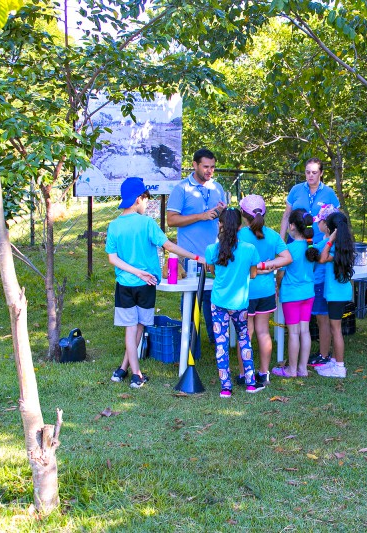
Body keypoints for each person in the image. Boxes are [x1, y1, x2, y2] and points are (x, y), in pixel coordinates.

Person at [106, 177, 202, 389]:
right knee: (135, 329)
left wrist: (134, 272)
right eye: (146, 199)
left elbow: (113, 259)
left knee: (135, 328)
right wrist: (196, 257)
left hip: (124, 285)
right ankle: (136, 375)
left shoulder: (113, 225)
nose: (147, 203)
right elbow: (169, 246)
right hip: (146, 284)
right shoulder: (147, 223)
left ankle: (123, 369)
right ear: (138, 199)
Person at [279, 158, 340, 367]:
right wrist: (279, 242)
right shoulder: (296, 190)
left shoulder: (329, 194)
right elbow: (286, 215)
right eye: (307, 172)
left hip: (318, 252)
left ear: (321, 173)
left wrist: (331, 243)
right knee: (298, 312)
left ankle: (323, 354)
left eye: (314, 172)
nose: (310, 176)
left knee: (321, 311)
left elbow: (337, 222)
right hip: (296, 251)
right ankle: (296, 358)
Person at [166, 148, 227, 351]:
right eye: (205, 167)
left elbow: (220, 221)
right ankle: (190, 343)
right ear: (195, 165)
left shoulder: (217, 187)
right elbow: (171, 220)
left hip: (214, 256)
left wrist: (221, 213)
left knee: (214, 300)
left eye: (212, 167)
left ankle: (214, 341)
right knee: (191, 302)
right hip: (190, 256)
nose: (210, 171)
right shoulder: (182, 188)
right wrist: (201, 216)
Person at [205, 208, 262, 397]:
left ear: (220, 224)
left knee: (221, 343)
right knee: (244, 340)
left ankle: (225, 387)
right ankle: (251, 383)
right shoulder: (250, 249)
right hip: (240, 303)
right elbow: (253, 274)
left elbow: (212, 271)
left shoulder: (212, 249)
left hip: (219, 301)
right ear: (240, 226)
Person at [235, 195, 292, 387]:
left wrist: (257, 266)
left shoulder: (239, 235)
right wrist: (268, 265)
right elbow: (286, 258)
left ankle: (244, 374)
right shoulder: (274, 235)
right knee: (263, 332)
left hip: (246, 291)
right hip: (266, 290)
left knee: (246, 333)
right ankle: (263, 373)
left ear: (243, 215)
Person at [273, 209, 319, 378]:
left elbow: (280, 273)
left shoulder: (288, 249)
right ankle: (303, 369)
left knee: (293, 333)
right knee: (304, 331)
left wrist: (278, 286)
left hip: (292, 295)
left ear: (291, 226)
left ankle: (292, 370)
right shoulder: (310, 247)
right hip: (308, 294)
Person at [315, 210, 355, 378]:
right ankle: (333, 361)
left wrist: (329, 241)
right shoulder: (345, 244)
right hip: (341, 291)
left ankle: (339, 367)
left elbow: (322, 258)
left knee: (336, 329)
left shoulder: (335, 246)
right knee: (334, 328)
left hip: (335, 294)